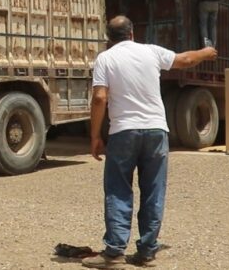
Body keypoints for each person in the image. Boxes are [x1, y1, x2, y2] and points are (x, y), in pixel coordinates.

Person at [83, 15, 217, 269]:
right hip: (156, 130)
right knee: (154, 190)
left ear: (109, 39)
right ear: (132, 34)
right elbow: (185, 60)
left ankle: (114, 252)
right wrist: (206, 51)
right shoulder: (151, 52)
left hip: (123, 131)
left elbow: (100, 98)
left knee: (118, 189)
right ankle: (146, 251)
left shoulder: (105, 58)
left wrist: (95, 137)